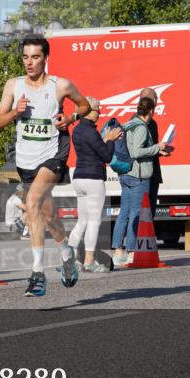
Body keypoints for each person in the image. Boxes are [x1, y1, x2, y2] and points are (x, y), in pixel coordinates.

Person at [0, 35, 90, 297]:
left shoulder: (60, 86)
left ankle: (37, 274)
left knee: (33, 203)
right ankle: (67, 253)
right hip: (25, 159)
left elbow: (85, 105)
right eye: (25, 57)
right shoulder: (13, 85)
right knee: (48, 214)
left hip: (53, 155)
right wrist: (15, 112)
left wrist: (70, 117)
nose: (29, 62)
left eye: (35, 57)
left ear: (46, 58)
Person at [110, 97, 170, 267]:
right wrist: (158, 147)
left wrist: (157, 152)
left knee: (124, 213)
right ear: (151, 110)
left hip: (126, 173)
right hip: (138, 176)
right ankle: (131, 252)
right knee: (136, 214)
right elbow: (136, 152)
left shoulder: (130, 123)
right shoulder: (142, 127)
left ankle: (118, 251)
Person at [68, 95, 123, 273]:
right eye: (97, 110)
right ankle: (89, 260)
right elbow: (106, 156)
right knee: (94, 221)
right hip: (93, 179)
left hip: (78, 178)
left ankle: (69, 258)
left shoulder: (76, 130)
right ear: (88, 111)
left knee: (81, 221)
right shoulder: (91, 132)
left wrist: (105, 139)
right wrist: (110, 140)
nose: (99, 114)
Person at [139, 87, 163, 217]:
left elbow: (150, 148)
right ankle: (139, 238)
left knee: (147, 213)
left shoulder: (150, 123)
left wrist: (160, 150)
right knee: (145, 213)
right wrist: (158, 148)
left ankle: (143, 237)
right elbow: (138, 151)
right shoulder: (140, 124)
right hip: (144, 174)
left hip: (149, 173)